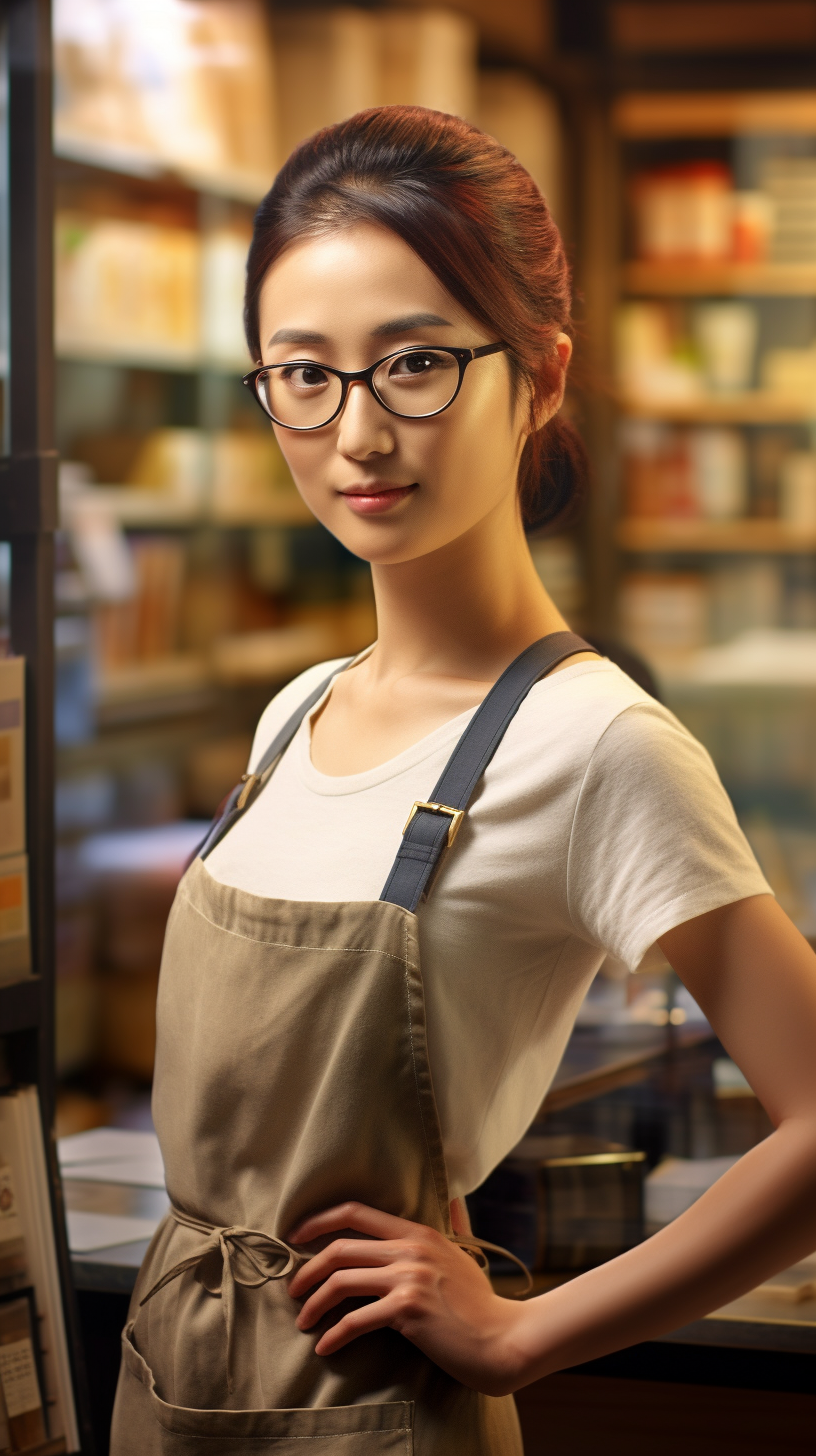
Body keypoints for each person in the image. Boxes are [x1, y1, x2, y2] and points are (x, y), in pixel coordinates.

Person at [110, 107, 816, 1455]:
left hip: (376, 1415)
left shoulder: (597, 743)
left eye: (416, 365)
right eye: (302, 375)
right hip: (175, 1385)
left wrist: (521, 1333)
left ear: (541, 376)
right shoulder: (295, 712)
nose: (357, 435)